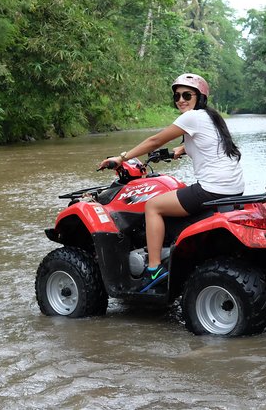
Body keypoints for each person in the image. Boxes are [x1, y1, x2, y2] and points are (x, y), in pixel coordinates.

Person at [98, 73, 244, 291]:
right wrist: (182, 149)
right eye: (177, 96)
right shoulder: (212, 117)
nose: (181, 100)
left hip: (212, 189)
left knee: (153, 206)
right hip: (234, 188)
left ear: (200, 97)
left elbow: (155, 140)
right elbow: (212, 143)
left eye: (187, 95)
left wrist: (121, 158)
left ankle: (154, 268)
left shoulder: (191, 118)